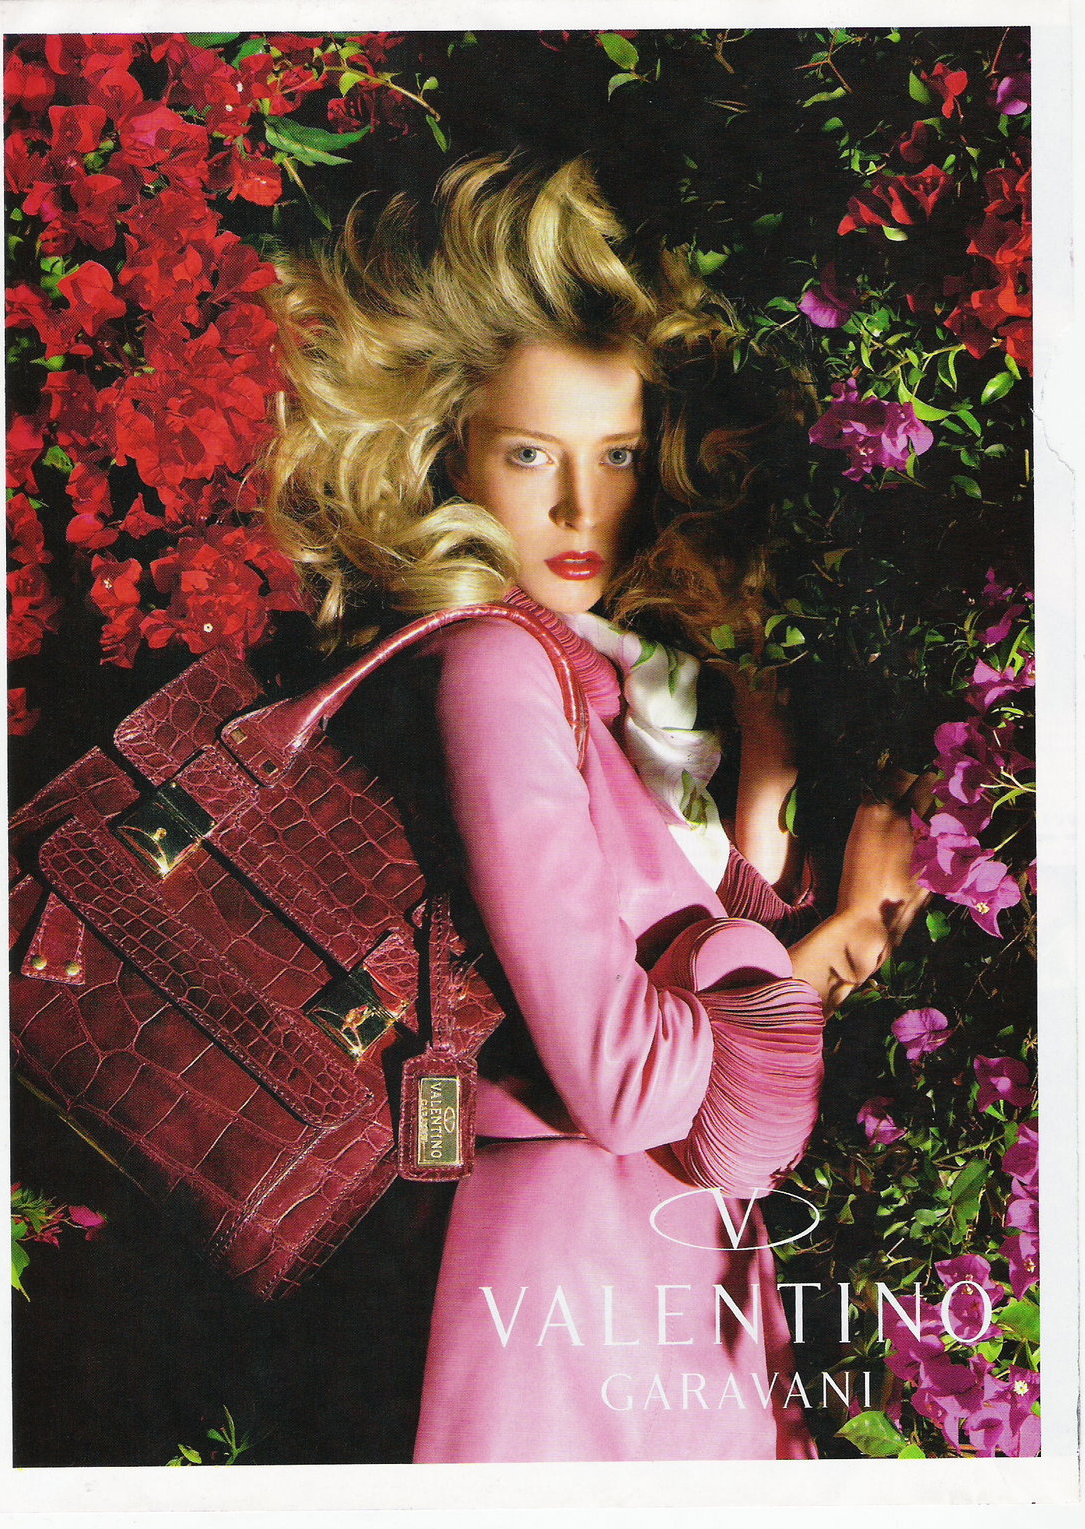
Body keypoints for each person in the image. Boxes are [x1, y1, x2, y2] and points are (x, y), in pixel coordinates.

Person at [264, 156, 928, 1462]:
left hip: (661, 1272)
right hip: (563, 1279)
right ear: (453, 453)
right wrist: (835, 934)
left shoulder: (616, 677)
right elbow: (628, 1087)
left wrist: (762, 798)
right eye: (531, 455)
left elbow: (682, 996)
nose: (579, 507)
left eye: (615, 456)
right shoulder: (493, 666)